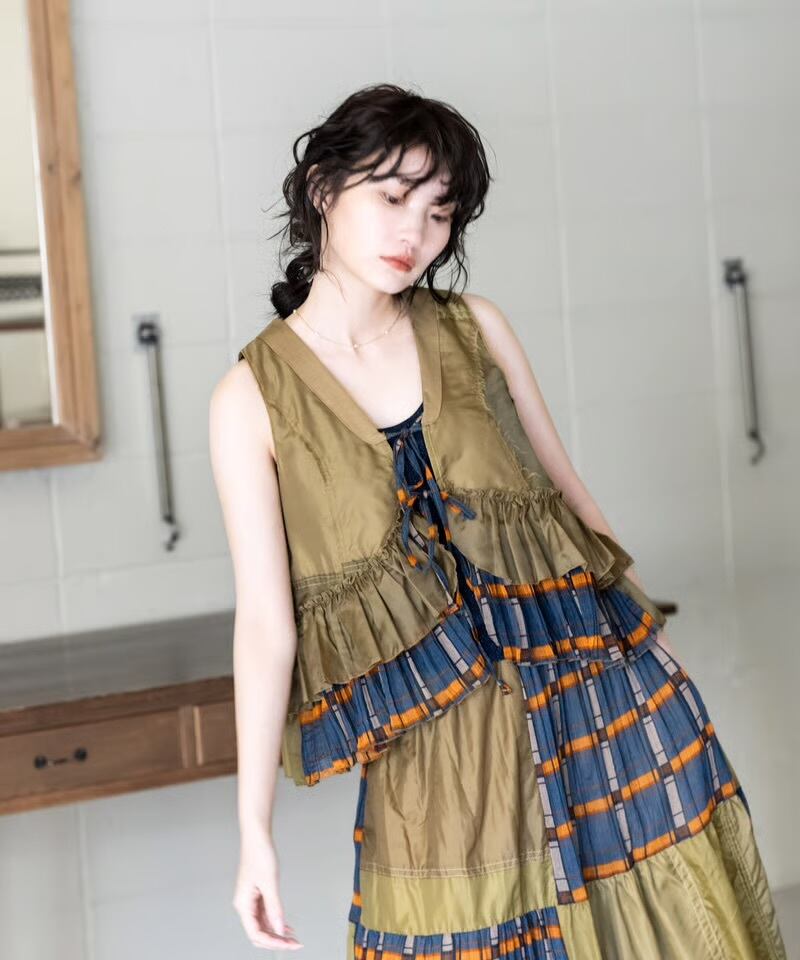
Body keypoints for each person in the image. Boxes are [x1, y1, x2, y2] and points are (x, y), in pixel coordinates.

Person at [209, 83, 787, 958]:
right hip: (443, 758)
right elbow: (265, 624)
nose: (415, 233)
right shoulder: (249, 399)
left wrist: (652, 641)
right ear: (323, 190)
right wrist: (255, 832)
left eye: (439, 212)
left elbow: (571, 502)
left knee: (662, 932)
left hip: (595, 696)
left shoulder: (477, 329)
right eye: (393, 198)